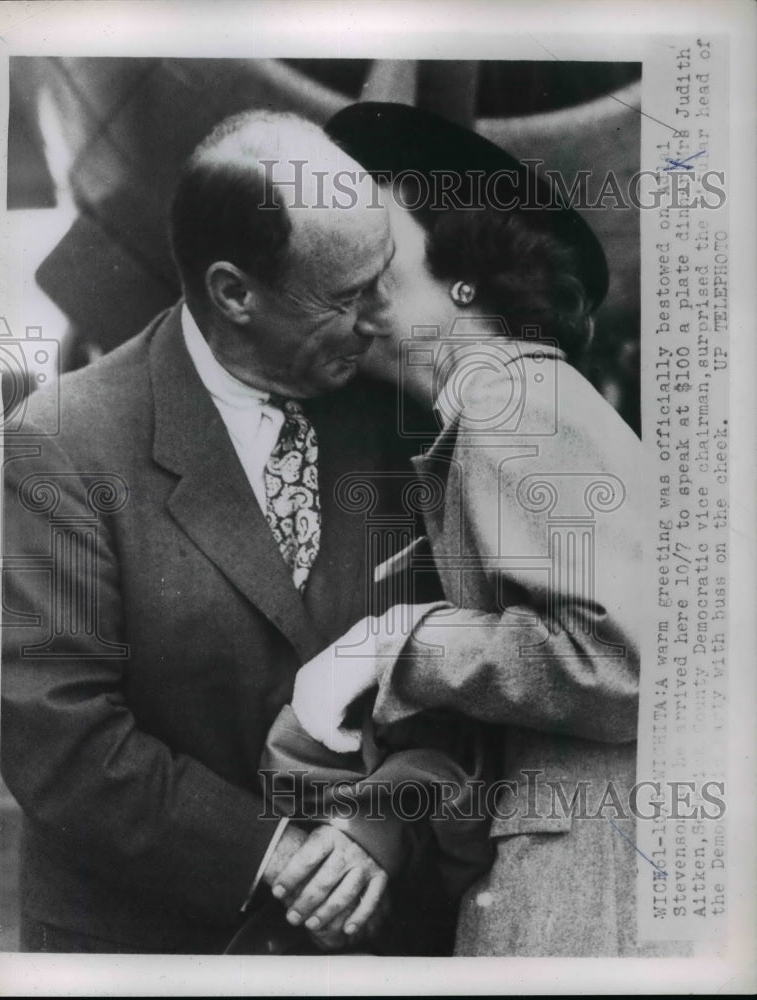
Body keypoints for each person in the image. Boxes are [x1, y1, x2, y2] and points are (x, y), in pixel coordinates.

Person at [0, 109, 427, 955]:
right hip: (149, 948)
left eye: (381, 280)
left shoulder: (398, 417)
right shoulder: (61, 444)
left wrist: (383, 823)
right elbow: (58, 737)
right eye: (344, 299)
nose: (381, 319)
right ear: (235, 293)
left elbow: (469, 650)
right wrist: (276, 853)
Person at [262, 102, 665, 956]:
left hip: (585, 904)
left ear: (462, 262)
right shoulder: (496, 407)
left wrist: (399, 643)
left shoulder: (509, 397)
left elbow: (633, 659)